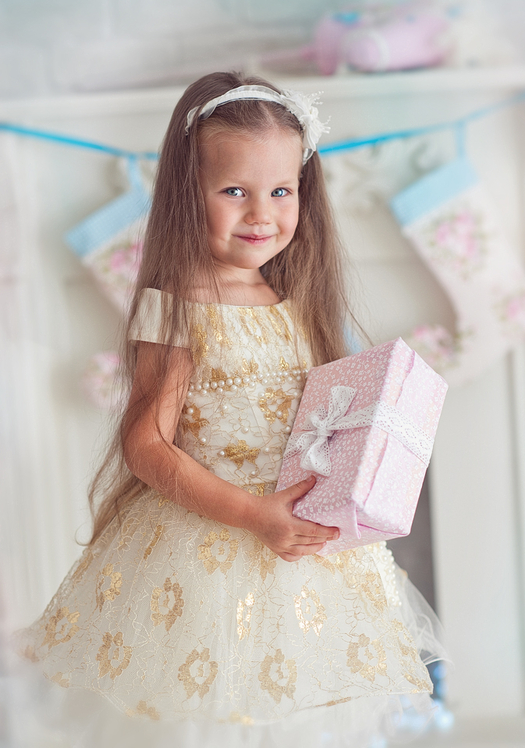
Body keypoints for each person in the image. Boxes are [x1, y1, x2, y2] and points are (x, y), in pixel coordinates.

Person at [14, 71, 446, 748]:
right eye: (234, 191)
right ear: (189, 193)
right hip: (212, 544)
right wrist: (251, 514)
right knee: (209, 718)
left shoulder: (296, 303)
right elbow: (146, 444)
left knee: (301, 716)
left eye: (281, 191)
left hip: (300, 553)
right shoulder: (177, 305)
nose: (261, 214)